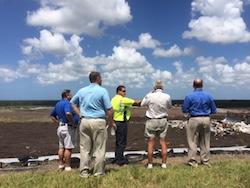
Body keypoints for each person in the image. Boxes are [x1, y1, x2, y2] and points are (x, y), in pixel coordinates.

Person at [70, 71, 115, 178]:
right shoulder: (102, 91)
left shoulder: (82, 91)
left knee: (85, 149)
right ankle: (98, 172)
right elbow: (109, 109)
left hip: (85, 121)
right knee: (99, 149)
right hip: (98, 121)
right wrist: (111, 122)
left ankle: (84, 172)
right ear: (98, 78)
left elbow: (72, 103)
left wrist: (79, 114)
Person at [182, 78, 217, 167]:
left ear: (193, 85)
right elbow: (214, 110)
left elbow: (184, 109)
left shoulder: (189, 96)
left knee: (192, 141)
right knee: (205, 141)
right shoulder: (208, 96)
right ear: (202, 85)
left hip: (194, 119)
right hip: (206, 118)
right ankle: (205, 161)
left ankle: (192, 161)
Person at [141, 80, 172, 169]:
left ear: (154, 87)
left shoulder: (150, 96)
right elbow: (169, 106)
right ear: (162, 87)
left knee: (151, 142)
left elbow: (142, 104)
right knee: (163, 142)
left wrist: (147, 95)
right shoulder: (167, 96)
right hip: (162, 120)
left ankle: (150, 164)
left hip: (151, 120)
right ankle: (164, 164)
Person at [111, 86, 142, 166]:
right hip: (121, 122)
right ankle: (120, 160)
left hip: (115, 121)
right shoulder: (123, 100)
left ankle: (117, 157)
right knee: (122, 142)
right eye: (124, 91)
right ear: (119, 91)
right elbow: (137, 102)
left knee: (118, 142)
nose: (125, 93)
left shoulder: (113, 99)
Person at [50, 89, 79, 172]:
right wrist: (72, 122)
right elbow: (68, 113)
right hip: (67, 127)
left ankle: (61, 164)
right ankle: (68, 166)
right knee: (68, 148)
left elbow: (52, 115)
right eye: (71, 94)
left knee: (61, 146)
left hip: (61, 127)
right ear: (67, 96)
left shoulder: (58, 103)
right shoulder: (67, 103)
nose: (72, 96)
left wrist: (58, 122)